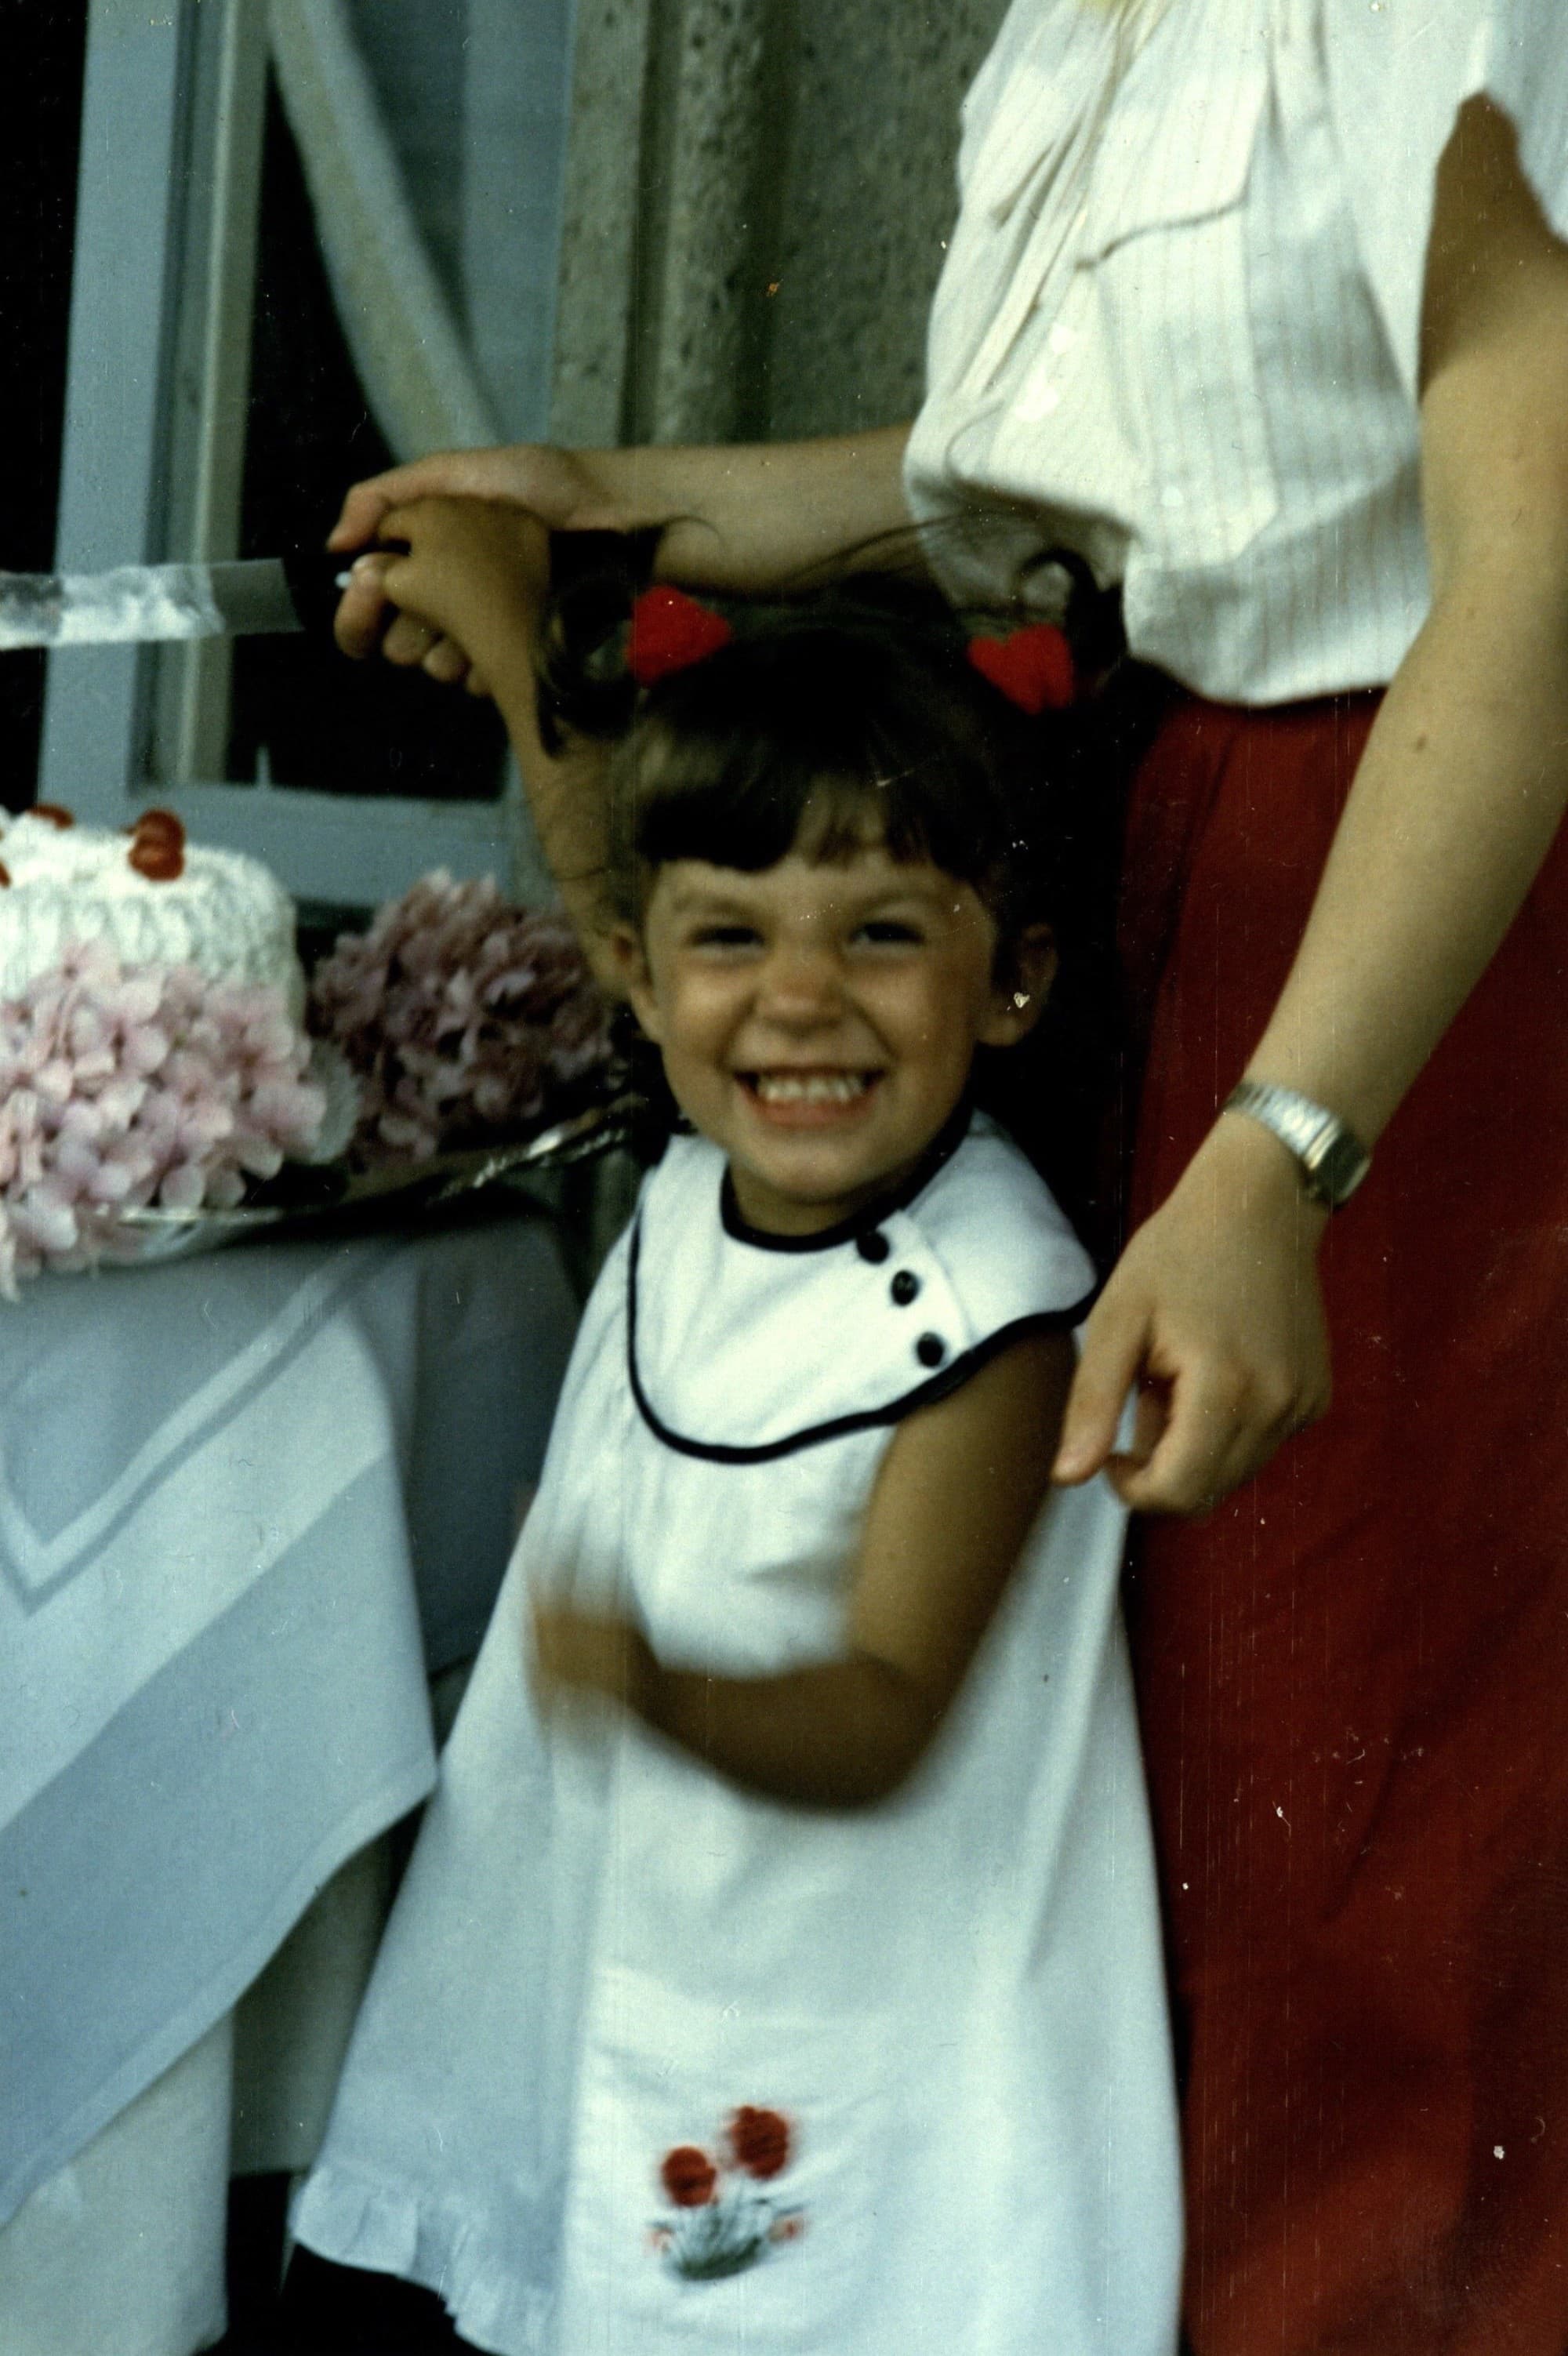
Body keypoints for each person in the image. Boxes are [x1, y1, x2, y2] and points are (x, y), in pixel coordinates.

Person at [320, 5, 1568, 2347]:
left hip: (1418, 928)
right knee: (1159, 1841)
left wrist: (1282, 1155)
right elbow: (1162, 456)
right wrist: (623, 481)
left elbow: (1533, 583)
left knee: (1370, 1880)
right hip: (1175, 843)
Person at [291, 556, 1182, 2355]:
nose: (796, 1002)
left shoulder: (985, 1324)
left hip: (837, 1938)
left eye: (878, 933)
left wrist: (632, 1674)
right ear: (638, 970)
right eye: (730, 939)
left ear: (1007, 981)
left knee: (764, 2290)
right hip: (625, 1871)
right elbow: (609, 853)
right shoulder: (699, 1181)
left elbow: (880, 1711)